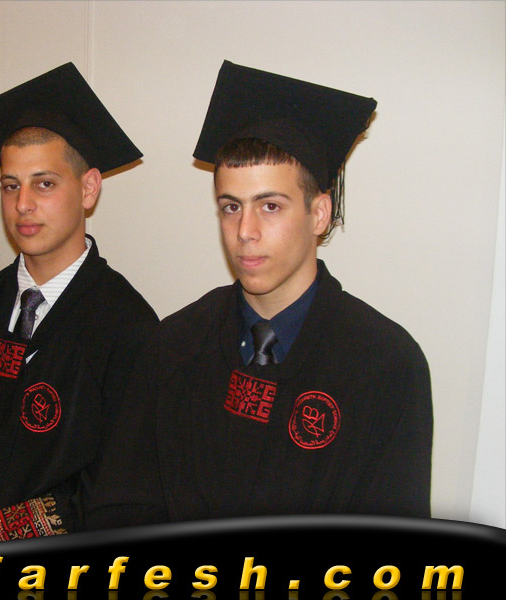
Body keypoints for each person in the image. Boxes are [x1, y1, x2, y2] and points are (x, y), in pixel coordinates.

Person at [86, 61, 433, 530]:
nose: (245, 231)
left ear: (319, 214)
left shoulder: (384, 366)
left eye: (270, 206)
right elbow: (121, 508)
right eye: (231, 207)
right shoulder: (175, 346)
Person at [0, 63, 159, 546]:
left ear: (88, 188)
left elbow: (116, 488)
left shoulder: (127, 327)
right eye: (10, 185)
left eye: (44, 184)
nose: (22, 204)